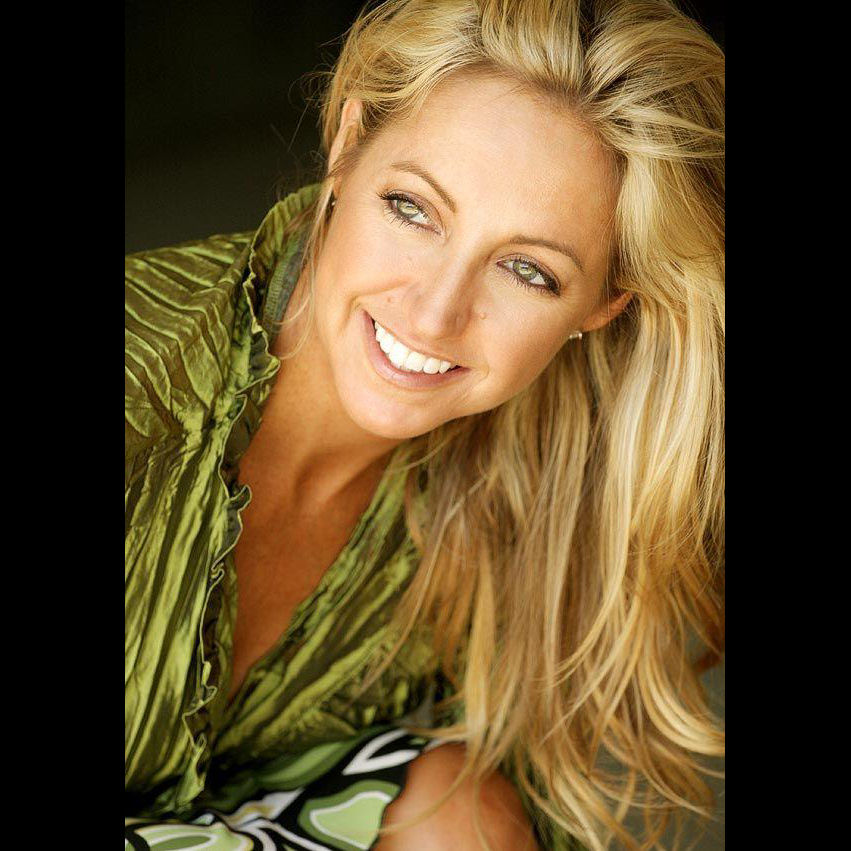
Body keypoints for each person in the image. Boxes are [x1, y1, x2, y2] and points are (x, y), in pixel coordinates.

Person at [124, 0, 725, 848]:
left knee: (462, 811)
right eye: (412, 209)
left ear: (602, 304)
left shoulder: (533, 484)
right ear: (346, 147)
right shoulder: (141, 390)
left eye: (527, 270)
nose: (436, 313)